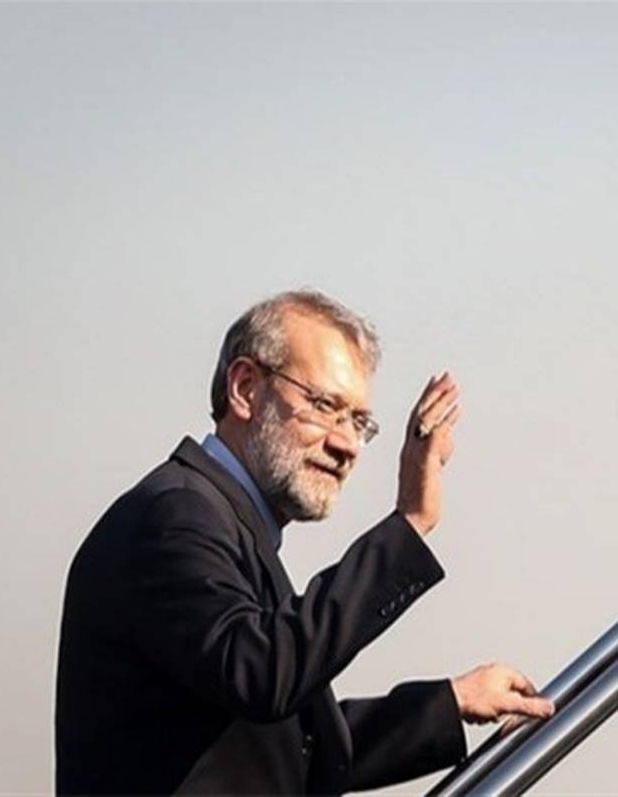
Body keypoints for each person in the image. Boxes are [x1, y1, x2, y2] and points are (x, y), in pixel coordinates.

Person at [54, 290, 554, 795]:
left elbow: (294, 749)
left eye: (358, 422)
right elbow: (262, 675)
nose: (347, 444)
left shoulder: (227, 524)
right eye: (324, 406)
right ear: (245, 389)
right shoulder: (175, 516)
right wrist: (408, 524)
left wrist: (451, 701)